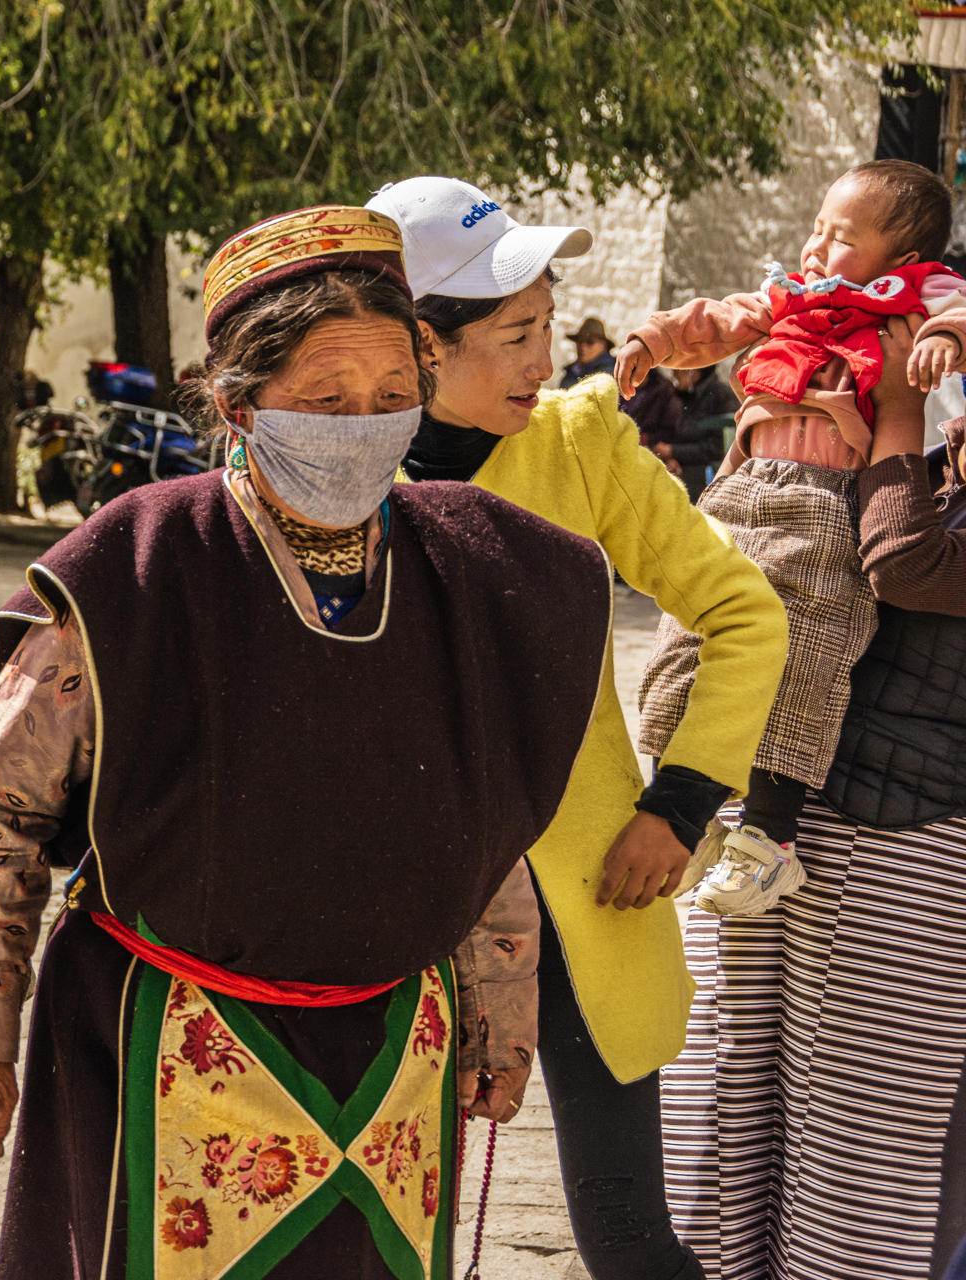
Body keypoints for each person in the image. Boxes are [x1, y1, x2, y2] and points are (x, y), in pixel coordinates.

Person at [0, 205, 615, 1278]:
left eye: (390, 399)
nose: (362, 424)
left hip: (392, 1064)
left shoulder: (471, 572)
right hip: (164, 1046)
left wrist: (501, 1003)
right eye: (325, 401)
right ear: (240, 405)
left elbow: (486, 819)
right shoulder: (139, 569)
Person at [367, 174, 786, 1280]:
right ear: (420, 340)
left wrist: (681, 801)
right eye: (514, 334)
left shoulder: (583, 445)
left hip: (586, 894)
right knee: (377, 1226)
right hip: (388, 914)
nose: (545, 361)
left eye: (548, 327)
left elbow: (746, 612)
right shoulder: (318, 473)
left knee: (628, 1237)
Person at [663, 315, 966, 1280]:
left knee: (856, 1158)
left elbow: (902, 565)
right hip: (790, 823)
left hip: (911, 842)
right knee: (717, 1120)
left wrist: (897, 420)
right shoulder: (943, 467)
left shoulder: (916, 458)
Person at [615, 159, 966, 916]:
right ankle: (681, 802)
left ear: (902, 260)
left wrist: (944, 344)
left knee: (804, 656)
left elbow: (960, 312)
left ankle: (769, 841)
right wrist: (654, 338)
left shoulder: (919, 296)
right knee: (690, 636)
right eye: (817, 227)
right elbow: (716, 319)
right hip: (745, 487)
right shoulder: (791, 298)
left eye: (841, 238)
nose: (816, 247)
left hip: (833, 500)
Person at [665, 365, 737, 501]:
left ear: (693, 371)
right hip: (683, 467)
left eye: (678, 369)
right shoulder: (683, 397)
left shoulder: (721, 395)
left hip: (709, 473)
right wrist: (671, 458)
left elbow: (719, 448)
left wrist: (673, 451)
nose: (673, 375)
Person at [621, 367, 683, 457]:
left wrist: (643, 439)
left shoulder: (664, 391)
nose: (631, 380)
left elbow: (669, 431)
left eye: (634, 375)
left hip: (650, 451)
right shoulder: (622, 390)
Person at [560, 316, 616, 388]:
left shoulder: (612, 373)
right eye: (579, 341)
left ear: (604, 346)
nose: (582, 347)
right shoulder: (570, 374)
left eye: (590, 342)